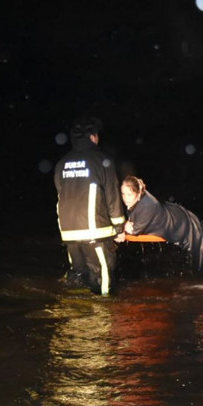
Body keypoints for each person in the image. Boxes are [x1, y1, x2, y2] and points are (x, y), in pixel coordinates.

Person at [54, 117, 126, 295]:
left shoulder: (62, 163)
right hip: (95, 232)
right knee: (102, 281)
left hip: (69, 232)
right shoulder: (102, 160)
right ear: (93, 136)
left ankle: (72, 309)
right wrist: (119, 227)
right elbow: (112, 195)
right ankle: (103, 311)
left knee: (78, 278)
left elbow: (60, 193)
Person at [116, 176, 203, 275]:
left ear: (138, 194)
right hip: (172, 215)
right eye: (123, 194)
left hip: (179, 223)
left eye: (129, 194)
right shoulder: (138, 199)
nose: (125, 198)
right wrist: (125, 224)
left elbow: (134, 231)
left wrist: (124, 225)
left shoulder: (148, 205)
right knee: (201, 226)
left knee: (200, 231)